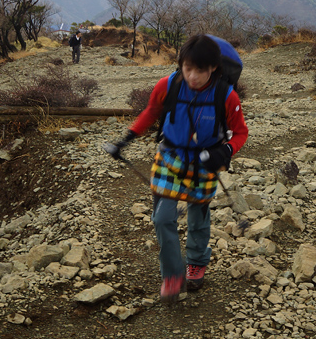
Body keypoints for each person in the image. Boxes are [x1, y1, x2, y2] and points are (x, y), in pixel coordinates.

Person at [106, 34, 248, 302]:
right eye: (188, 68)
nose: (193, 76)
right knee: (161, 218)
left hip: (204, 161)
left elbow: (240, 132)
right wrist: (126, 139)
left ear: (214, 68)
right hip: (170, 157)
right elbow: (151, 111)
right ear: (181, 64)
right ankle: (172, 274)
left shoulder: (226, 96)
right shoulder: (167, 85)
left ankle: (196, 262)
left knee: (198, 216)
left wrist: (225, 151)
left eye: (201, 70)